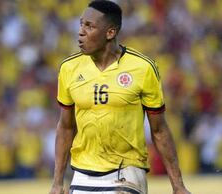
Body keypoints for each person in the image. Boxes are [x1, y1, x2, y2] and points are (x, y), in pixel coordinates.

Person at [49, 1, 191, 194]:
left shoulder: (142, 68)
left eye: (89, 26)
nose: (81, 32)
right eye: (81, 24)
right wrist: (57, 182)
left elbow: (159, 129)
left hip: (126, 171)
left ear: (110, 33)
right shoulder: (69, 68)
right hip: (83, 174)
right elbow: (66, 126)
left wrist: (178, 185)